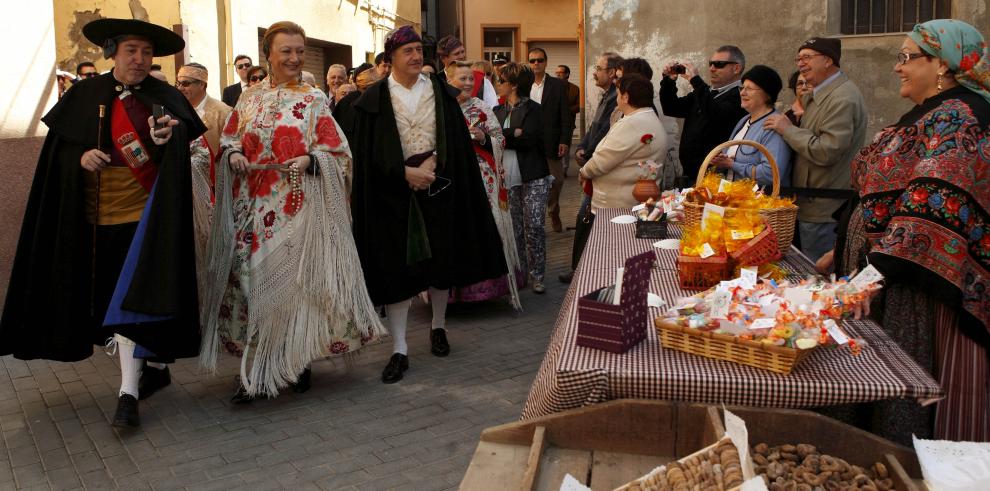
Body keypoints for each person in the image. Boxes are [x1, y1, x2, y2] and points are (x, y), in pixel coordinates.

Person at [0, 18, 206, 428]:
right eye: (132, 51)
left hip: (144, 220)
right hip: (94, 221)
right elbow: (57, 156)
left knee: (128, 302)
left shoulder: (164, 96)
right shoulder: (83, 94)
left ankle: (127, 392)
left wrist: (171, 139)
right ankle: (154, 370)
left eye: (147, 52)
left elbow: (182, 150)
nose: (141, 59)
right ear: (111, 53)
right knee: (118, 299)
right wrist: (79, 159)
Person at [820, 19, 990, 444]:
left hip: (913, 285)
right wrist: (841, 244)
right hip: (884, 275)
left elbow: (934, 202)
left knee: (898, 380)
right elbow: (875, 186)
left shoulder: (964, 116)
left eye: (907, 58)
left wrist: (872, 276)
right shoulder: (931, 111)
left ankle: (895, 459)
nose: (898, 67)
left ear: (942, 65)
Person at [200, 21, 385, 402]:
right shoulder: (248, 98)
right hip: (251, 209)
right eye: (287, 51)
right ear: (268, 54)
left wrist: (309, 159)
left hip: (296, 208)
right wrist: (233, 153)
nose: (295, 58)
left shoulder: (313, 100)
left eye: (300, 51)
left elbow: (340, 154)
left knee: (294, 289)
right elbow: (232, 137)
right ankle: (254, 371)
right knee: (251, 288)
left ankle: (294, 362)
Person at [350, 26, 507, 383]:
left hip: (440, 186)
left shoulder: (440, 91)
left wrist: (433, 165)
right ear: (391, 58)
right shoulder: (373, 99)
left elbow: (453, 138)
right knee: (397, 270)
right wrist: (404, 173)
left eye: (420, 49)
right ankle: (400, 348)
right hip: (393, 195)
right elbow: (367, 154)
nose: (416, 56)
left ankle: (438, 326)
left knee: (441, 260)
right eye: (408, 51)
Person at [764, 37, 867, 262]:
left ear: (828, 60)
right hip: (810, 203)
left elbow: (826, 151)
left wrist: (787, 130)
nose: (800, 63)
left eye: (807, 57)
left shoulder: (842, 98)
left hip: (824, 207)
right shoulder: (820, 94)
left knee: (817, 277)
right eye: (798, 58)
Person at [445, 61, 522, 309]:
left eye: (471, 79)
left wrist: (483, 138)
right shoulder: (440, 109)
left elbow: (500, 139)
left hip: (482, 178)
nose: (468, 83)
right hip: (450, 179)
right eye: (462, 79)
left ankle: (485, 287)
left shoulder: (482, 108)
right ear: (449, 80)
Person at [559, 51, 622, 284]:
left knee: (586, 220)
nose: (594, 73)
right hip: (592, 162)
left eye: (598, 68)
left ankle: (581, 272)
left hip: (599, 169)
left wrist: (587, 155)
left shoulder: (617, 97)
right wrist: (582, 147)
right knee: (585, 220)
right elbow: (594, 128)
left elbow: (606, 134)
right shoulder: (606, 95)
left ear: (612, 72)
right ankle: (580, 269)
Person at [494, 62, 551, 294]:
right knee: (515, 227)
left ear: (514, 85)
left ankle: (538, 275)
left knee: (535, 225)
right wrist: (511, 133)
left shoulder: (534, 109)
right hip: (506, 176)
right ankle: (520, 274)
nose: (497, 85)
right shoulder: (496, 111)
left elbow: (528, 140)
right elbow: (491, 138)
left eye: (501, 81)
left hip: (533, 174)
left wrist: (503, 136)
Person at [579, 74, 667, 212]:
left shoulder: (632, 123)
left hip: (616, 207)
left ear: (626, 97)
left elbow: (602, 160)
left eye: (618, 93)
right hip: (634, 203)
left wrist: (584, 172)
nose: (617, 98)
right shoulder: (649, 118)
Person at [659, 45, 748, 180]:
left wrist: (696, 81)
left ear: (736, 68)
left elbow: (715, 115)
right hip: (691, 172)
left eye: (719, 64)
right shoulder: (704, 93)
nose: (712, 68)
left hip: (715, 175)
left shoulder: (740, 96)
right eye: (710, 64)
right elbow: (672, 108)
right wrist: (668, 82)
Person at [709, 65, 792, 190]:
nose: (742, 93)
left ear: (767, 94)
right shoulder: (743, 121)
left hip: (760, 205)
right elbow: (729, 160)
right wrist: (721, 162)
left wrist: (732, 164)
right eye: (742, 88)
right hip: (735, 199)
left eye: (749, 89)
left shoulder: (774, 124)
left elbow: (771, 174)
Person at [527, 47, 574, 233]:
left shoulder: (558, 85)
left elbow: (566, 116)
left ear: (546, 62)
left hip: (552, 141)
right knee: (532, 183)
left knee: (557, 181)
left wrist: (565, 140)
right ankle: (535, 219)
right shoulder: (524, 85)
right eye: (532, 61)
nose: (536, 63)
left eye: (539, 60)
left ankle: (553, 210)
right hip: (530, 143)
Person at [175, 63, 231, 156]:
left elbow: (231, 146)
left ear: (201, 84)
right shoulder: (176, 110)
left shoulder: (223, 112)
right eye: (178, 83)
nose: (180, 88)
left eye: (185, 84)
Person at [436, 35, 498, 108]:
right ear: (444, 58)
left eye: (462, 52)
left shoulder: (481, 80)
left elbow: (493, 109)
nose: (462, 56)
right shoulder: (437, 81)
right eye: (457, 53)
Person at [556, 64, 581, 176]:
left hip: (568, 123)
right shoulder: (552, 87)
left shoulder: (575, 89)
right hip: (554, 123)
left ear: (567, 74)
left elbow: (579, 105)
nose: (558, 74)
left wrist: (566, 110)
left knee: (566, 145)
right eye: (557, 72)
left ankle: (564, 169)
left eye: (560, 72)